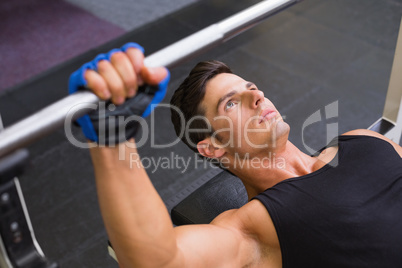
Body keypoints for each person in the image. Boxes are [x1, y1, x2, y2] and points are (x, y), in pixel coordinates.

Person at [72, 44, 402, 267]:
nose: (255, 96)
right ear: (213, 146)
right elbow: (161, 260)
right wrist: (112, 139)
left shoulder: (363, 140)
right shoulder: (252, 228)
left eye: (251, 87)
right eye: (231, 102)